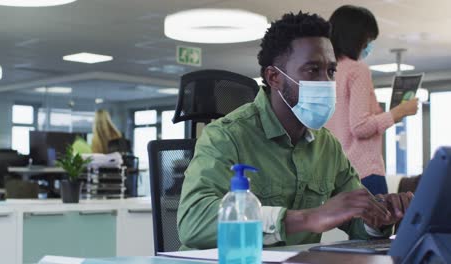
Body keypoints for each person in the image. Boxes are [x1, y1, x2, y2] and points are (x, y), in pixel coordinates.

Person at [177, 11, 412, 250]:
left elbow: (357, 220)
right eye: (312, 70)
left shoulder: (327, 146)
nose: (326, 82)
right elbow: (192, 223)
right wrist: (306, 218)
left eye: (331, 71)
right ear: (274, 77)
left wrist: (378, 217)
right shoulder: (226, 136)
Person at [325, 5, 418, 195]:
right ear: (356, 38)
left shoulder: (326, 71)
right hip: (364, 171)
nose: (368, 46)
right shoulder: (357, 70)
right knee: (377, 225)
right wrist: (398, 113)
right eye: (367, 40)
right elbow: (360, 127)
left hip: (334, 173)